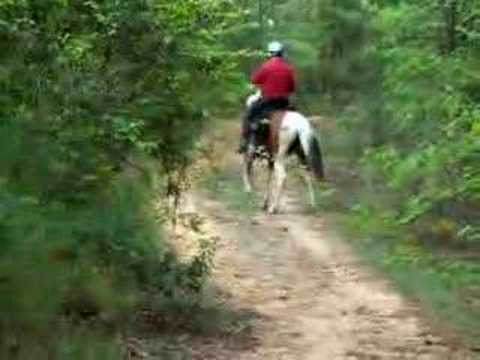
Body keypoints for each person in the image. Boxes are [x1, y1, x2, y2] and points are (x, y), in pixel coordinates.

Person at [239, 41, 297, 153]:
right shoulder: (289, 68)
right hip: (283, 102)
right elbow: (292, 88)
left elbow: (255, 80)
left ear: (270, 53)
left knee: (248, 115)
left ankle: (244, 142)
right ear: (281, 53)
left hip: (267, 101)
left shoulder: (266, 66)